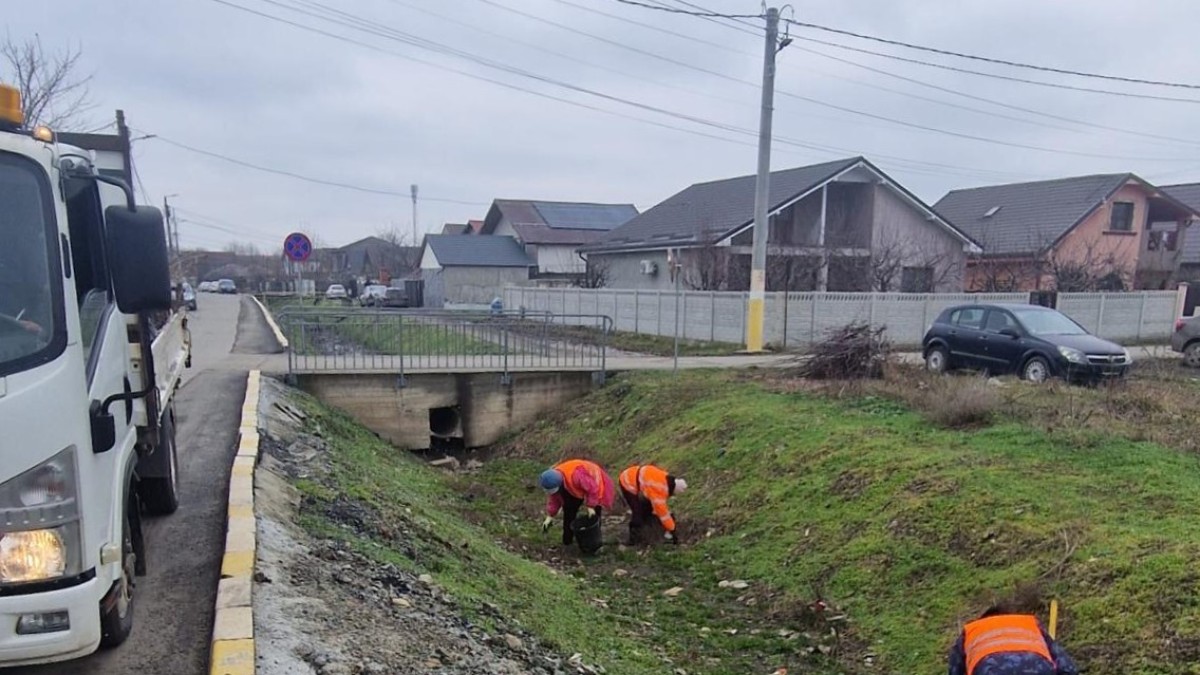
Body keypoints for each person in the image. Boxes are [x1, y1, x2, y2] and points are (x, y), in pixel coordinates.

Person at [947, 606, 1078, 675]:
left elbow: (955, 670)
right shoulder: (1030, 624)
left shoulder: (971, 630)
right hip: (1038, 668)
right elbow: (1067, 667)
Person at [539, 459, 614, 546]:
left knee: (594, 514)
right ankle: (567, 542)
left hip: (594, 484)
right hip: (575, 486)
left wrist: (591, 506)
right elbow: (555, 498)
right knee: (568, 510)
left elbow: (592, 489)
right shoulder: (552, 479)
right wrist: (550, 516)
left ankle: (595, 541)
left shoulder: (576, 475)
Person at [619, 464, 687, 545]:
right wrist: (672, 530)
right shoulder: (658, 491)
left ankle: (645, 523)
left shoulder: (665, 478)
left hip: (632, 474)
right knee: (637, 513)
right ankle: (633, 539)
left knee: (647, 508)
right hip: (627, 482)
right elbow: (663, 515)